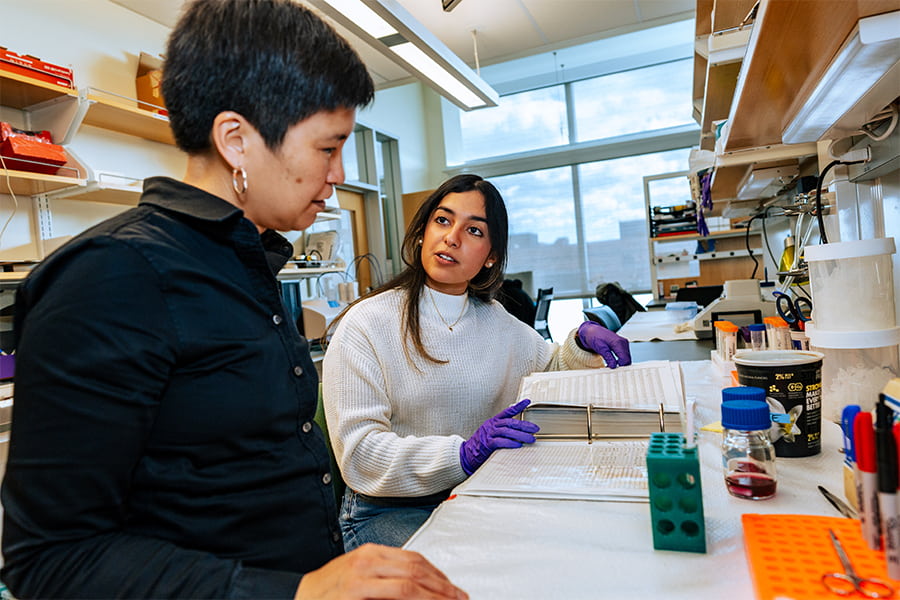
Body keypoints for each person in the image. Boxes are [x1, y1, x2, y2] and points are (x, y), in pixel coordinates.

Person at [0, 1, 467, 599]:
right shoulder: (115, 275)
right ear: (236, 140)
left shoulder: (245, 260)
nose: (338, 174)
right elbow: (53, 560)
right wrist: (295, 593)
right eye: (328, 148)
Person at [322, 174, 631, 550]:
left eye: (474, 230)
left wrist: (581, 341)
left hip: (477, 492)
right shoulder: (367, 323)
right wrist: (461, 453)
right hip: (389, 510)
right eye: (443, 220)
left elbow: (546, 370)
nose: (452, 237)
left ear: (491, 257)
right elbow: (360, 453)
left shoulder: (494, 319)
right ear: (422, 232)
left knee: (566, 548)